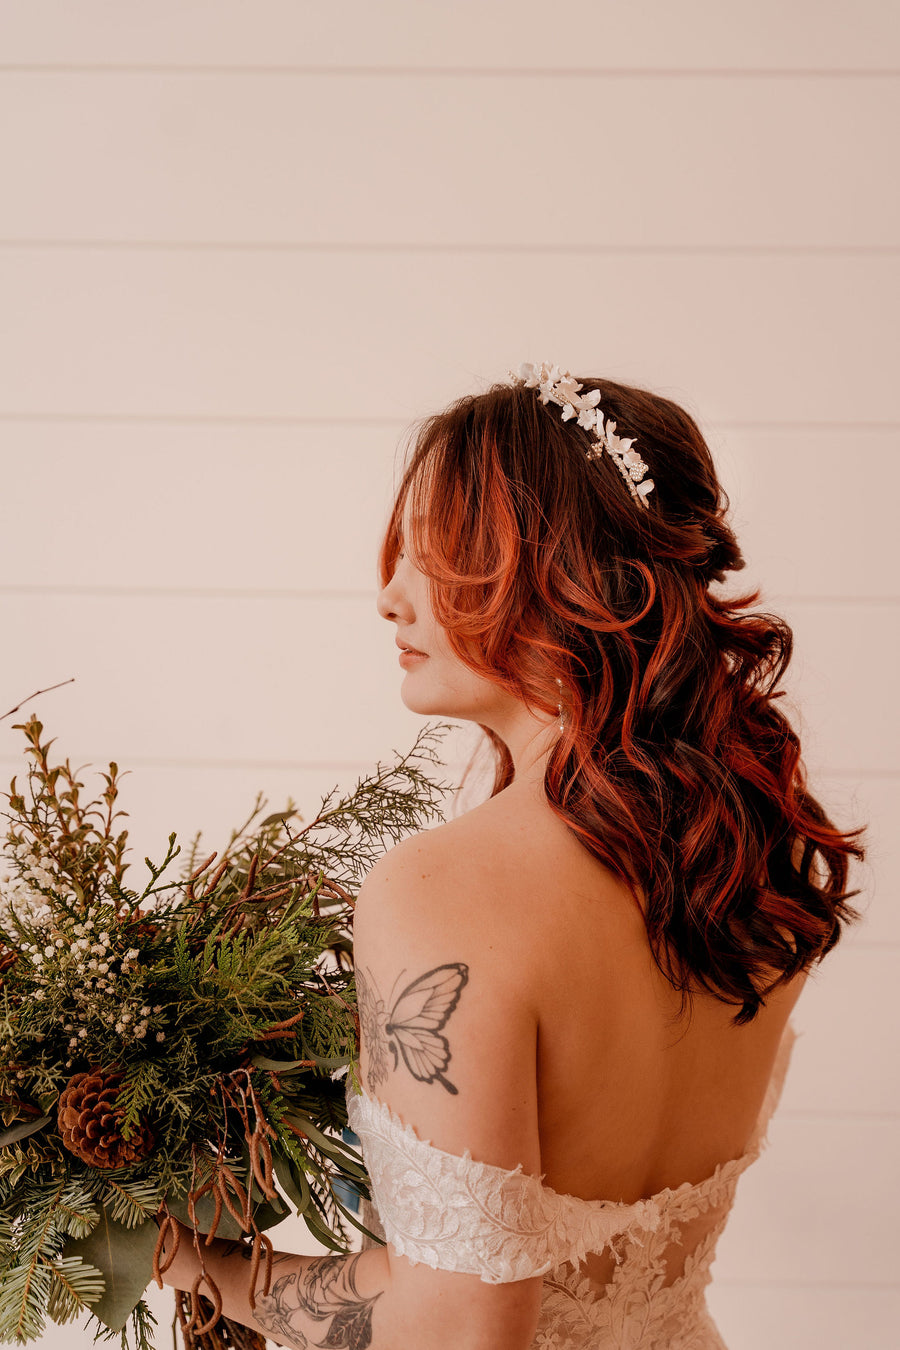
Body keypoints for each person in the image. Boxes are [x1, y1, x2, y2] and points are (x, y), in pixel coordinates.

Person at [159, 363, 863, 1348]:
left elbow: (458, 1328)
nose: (390, 598)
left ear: (557, 572)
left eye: (434, 555)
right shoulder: (749, 860)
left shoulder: (443, 892)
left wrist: (203, 1265)